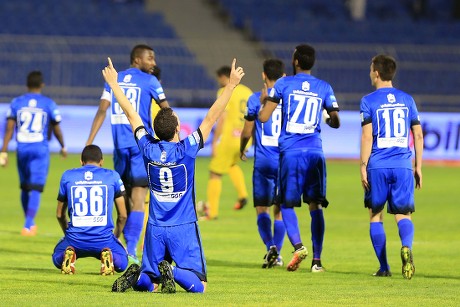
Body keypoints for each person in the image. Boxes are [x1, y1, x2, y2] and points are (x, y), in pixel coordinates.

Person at [103, 57, 245, 293]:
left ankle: (138, 278)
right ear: (178, 128)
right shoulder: (187, 149)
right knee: (200, 286)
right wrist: (231, 86)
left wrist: (114, 85)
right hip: (184, 226)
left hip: (156, 227)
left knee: (152, 285)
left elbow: (132, 115)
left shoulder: (147, 148)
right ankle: (172, 271)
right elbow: (212, 116)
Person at [259, 44, 340, 273]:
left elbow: (264, 117)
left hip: (291, 152)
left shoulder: (284, 84)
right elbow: (335, 121)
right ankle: (317, 261)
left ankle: (298, 246)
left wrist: (266, 101)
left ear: (295, 61)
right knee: (315, 205)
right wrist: (325, 118)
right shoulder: (324, 87)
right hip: (315, 152)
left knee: (285, 203)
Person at [86, 44, 170, 263]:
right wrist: (171, 139)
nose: (154, 63)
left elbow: (102, 110)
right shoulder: (151, 81)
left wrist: (89, 142)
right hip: (142, 146)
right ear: (137, 60)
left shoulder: (114, 78)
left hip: (120, 147)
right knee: (139, 198)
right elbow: (166, 110)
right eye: (150, 58)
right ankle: (131, 249)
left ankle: (121, 243)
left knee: (122, 197)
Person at [360, 54, 423, 279]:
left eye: (370, 70)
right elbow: (417, 133)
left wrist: (363, 164)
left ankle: (384, 267)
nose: (370, 74)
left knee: (375, 215)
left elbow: (367, 137)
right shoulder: (408, 100)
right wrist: (418, 167)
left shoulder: (368, 101)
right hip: (403, 165)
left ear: (376, 73)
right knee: (403, 214)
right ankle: (406, 247)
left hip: (377, 165)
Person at [0, 71, 66, 236]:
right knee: (35, 187)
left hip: (22, 148)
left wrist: (4, 151)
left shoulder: (17, 102)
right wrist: (63, 145)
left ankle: (30, 223)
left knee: (25, 186)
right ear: (42, 85)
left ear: (27, 85)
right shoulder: (48, 103)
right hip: (39, 149)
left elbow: (9, 128)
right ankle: (28, 224)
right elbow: (56, 127)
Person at [52, 144, 128, 275]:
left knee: (56, 258)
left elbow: (59, 214)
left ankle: (69, 256)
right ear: (102, 162)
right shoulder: (112, 176)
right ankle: (108, 256)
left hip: (75, 239)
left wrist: (68, 234)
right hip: (104, 240)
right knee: (122, 263)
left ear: (81, 161)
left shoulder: (68, 176)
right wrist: (115, 237)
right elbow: (123, 216)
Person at [240, 59, 286, 268]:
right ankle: (278, 251)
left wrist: (242, 148)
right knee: (281, 209)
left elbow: (247, 131)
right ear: (283, 76)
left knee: (261, 208)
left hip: (263, 161)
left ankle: (270, 247)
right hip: (284, 160)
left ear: (263, 75)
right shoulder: (288, 97)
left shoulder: (254, 99)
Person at [201, 65, 253, 220]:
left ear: (224, 77)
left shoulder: (225, 90)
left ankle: (212, 212)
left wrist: (215, 140)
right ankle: (243, 195)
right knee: (231, 164)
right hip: (244, 138)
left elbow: (222, 117)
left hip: (229, 138)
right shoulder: (247, 91)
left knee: (214, 173)